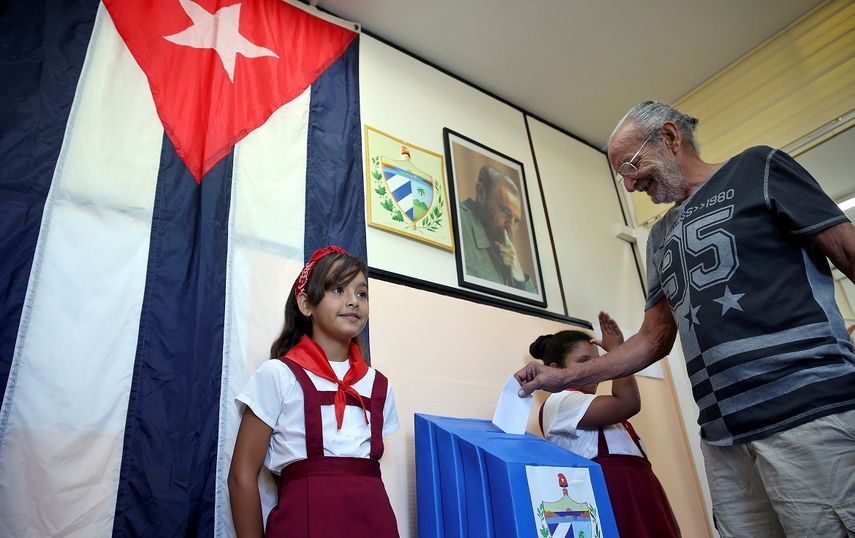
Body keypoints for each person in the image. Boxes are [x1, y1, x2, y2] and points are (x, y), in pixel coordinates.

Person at [516, 101, 855, 537]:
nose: (629, 183)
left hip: (807, 415)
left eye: (631, 165)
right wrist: (556, 379)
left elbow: (847, 251)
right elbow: (652, 340)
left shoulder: (759, 167)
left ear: (671, 138)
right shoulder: (658, 237)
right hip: (724, 439)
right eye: (620, 174)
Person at [228, 246, 399, 538]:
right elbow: (241, 475)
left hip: (375, 524)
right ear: (306, 304)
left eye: (361, 293)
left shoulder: (379, 385)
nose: (353, 301)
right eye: (338, 290)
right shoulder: (278, 375)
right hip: (303, 524)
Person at [533, 312, 680, 538]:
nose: (596, 370)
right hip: (612, 502)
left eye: (600, 363)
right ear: (555, 369)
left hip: (646, 500)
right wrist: (618, 352)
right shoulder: (559, 402)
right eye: (583, 362)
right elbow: (627, 402)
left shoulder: (612, 418)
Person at [458, 165, 535, 291]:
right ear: (481, 193)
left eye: (516, 221)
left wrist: (519, 276)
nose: (510, 228)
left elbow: (531, 309)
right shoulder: (458, 218)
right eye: (505, 212)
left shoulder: (505, 252)